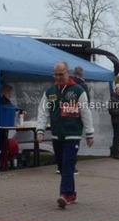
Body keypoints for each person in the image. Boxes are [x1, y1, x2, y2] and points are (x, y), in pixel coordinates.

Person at [36, 62, 94, 208]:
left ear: (68, 73)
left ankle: (64, 195)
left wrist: (89, 133)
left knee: (68, 164)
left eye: (61, 74)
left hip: (72, 135)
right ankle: (72, 193)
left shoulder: (78, 90)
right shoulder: (50, 92)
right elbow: (43, 112)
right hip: (57, 135)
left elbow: (85, 112)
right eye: (55, 74)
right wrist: (40, 130)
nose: (58, 77)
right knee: (62, 166)